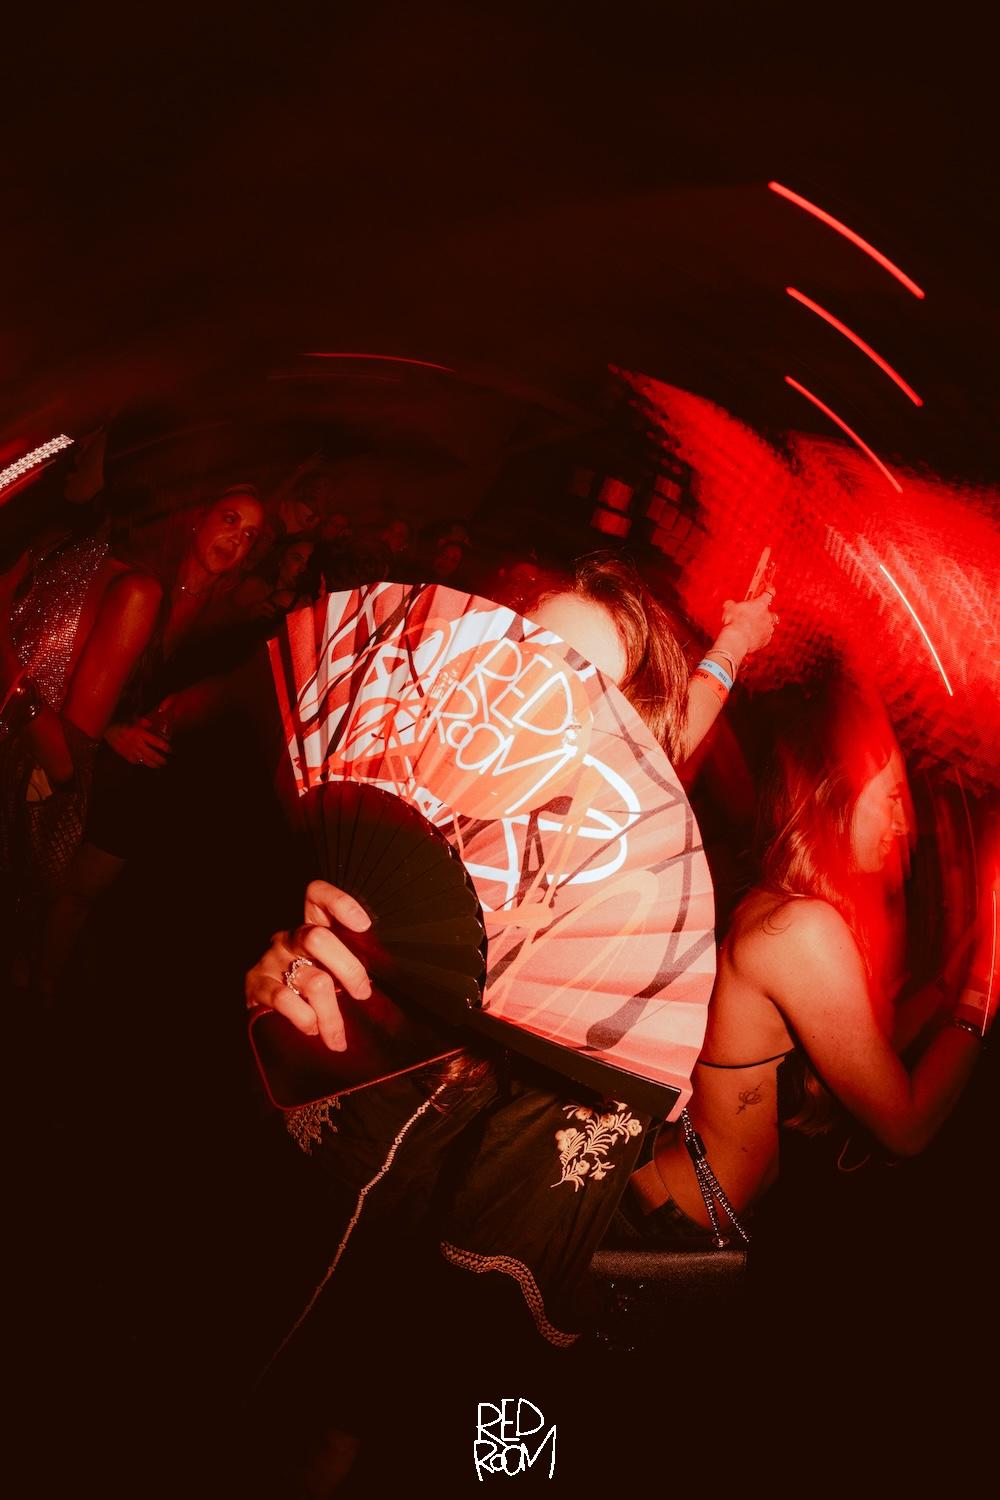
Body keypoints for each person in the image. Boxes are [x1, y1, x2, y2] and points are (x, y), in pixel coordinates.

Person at [242, 555, 775, 1493]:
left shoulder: (603, 925)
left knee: (374, 1421)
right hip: (273, 1270)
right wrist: (266, 1006)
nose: (541, 707)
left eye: (587, 700)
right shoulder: (383, 837)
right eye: (526, 664)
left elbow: (494, 1360)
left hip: (434, 1316)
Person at [623, 683, 998, 1250]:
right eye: (893, 797)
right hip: (676, 1221)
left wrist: (953, 977)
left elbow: (866, 1053)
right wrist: (984, 981)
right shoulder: (799, 929)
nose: (906, 824)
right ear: (836, 794)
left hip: (697, 1206)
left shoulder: (788, 904)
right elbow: (907, 1126)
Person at [37, 485, 264, 994]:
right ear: (198, 519)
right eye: (230, 519)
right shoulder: (142, 584)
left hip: (142, 780)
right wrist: (112, 730)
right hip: (81, 752)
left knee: (83, 894)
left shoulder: (228, 616)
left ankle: (45, 991)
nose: (237, 539)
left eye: (250, 535)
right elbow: (66, 672)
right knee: (46, 881)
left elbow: (220, 704)